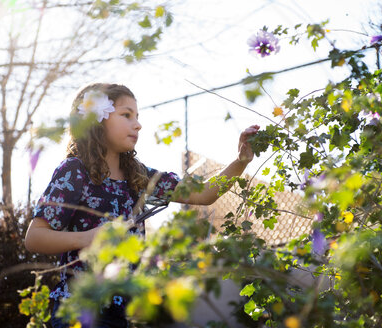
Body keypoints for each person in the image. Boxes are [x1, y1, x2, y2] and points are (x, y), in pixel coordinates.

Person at [24, 83, 260, 327]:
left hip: (124, 314)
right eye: (126, 115)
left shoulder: (138, 176)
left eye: (137, 116)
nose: (137, 124)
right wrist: (88, 238)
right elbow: (35, 238)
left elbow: (204, 194)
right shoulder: (74, 171)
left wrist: (240, 161)